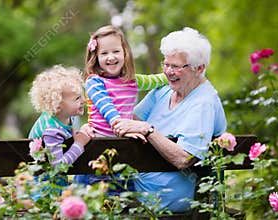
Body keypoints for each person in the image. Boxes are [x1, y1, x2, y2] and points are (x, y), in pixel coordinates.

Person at [112, 27, 227, 212]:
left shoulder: (203, 103)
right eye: (166, 64)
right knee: (89, 181)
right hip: (135, 187)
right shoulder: (164, 90)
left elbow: (184, 158)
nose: (168, 72)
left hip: (164, 199)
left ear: (199, 68)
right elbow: (130, 119)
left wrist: (148, 130)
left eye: (176, 67)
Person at [74, 25, 168, 192]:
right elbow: (107, 109)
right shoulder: (94, 82)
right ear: (95, 57)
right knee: (98, 201)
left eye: (116, 51)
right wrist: (122, 127)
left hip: (124, 152)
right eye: (104, 53)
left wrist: (173, 74)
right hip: (98, 152)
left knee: (123, 200)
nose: (111, 57)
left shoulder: (132, 80)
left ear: (125, 53)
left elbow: (157, 80)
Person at [29, 65, 91, 167]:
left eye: (83, 96)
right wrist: (79, 144)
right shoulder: (52, 130)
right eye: (77, 98)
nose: (84, 101)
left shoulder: (67, 116)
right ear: (57, 105)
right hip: (45, 180)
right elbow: (58, 167)